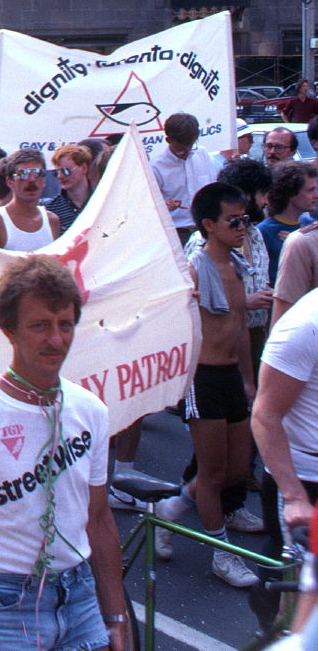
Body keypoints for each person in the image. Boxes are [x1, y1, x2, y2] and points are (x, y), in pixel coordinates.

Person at [0, 255, 127, 651]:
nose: (56, 340)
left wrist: (116, 615)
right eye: (40, 326)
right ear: (10, 330)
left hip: (79, 592)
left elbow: (100, 518)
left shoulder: (91, 410)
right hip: (2, 604)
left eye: (65, 324)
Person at [156, 183, 263, 587]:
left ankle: (171, 509)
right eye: (233, 221)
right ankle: (222, 555)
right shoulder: (194, 268)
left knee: (236, 471)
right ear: (208, 225)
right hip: (203, 378)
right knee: (215, 474)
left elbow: (238, 327)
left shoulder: (236, 266)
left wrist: (249, 380)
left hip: (232, 376)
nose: (241, 227)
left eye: (245, 219)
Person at [254, 287, 318, 556]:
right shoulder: (305, 325)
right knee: (298, 587)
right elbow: (264, 416)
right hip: (306, 479)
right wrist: (294, 497)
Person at [151, 113, 222, 245]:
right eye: (180, 150)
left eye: (190, 147)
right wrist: (164, 207)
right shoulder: (157, 167)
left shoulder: (202, 154)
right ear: (168, 140)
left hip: (205, 231)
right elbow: (149, 209)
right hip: (176, 234)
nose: (186, 152)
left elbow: (214, 189)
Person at [0, 149, 60, 251]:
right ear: (10, 181)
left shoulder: (52, 221)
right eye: (23, 174)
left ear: (44, 180)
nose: (31, 180)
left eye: (38, 173)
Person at [259, 161, 318, 284]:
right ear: (291, 194)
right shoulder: (263, 232)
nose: (316, 195)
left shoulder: (310, 225)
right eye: (310, 190)